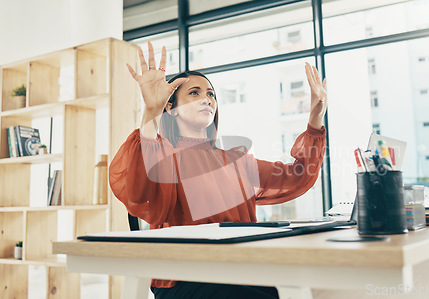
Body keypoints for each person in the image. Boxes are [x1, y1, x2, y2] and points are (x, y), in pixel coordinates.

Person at [109, 41, 328, 299]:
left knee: (314, 289)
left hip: (240, 270)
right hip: (187, 277)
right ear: (171, 106)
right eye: (194, 93)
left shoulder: (237, 162)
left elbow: (299, 176)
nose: (206, 99)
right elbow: (140, 192)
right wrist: (151, 114)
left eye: (211, 94)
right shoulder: (164, 156)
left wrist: (315, 119)